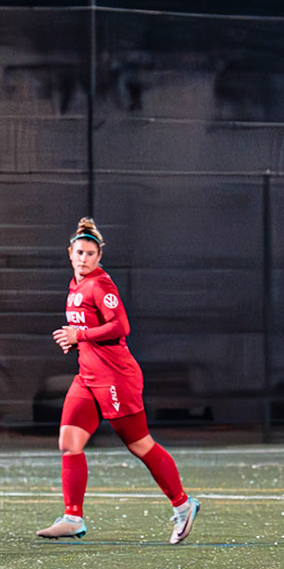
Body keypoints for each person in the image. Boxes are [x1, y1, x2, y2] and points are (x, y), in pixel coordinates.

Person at [37, 218, 201, 543]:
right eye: (79, 252)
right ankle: (73, 517)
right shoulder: (75, 285)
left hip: (115, 378)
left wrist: (79, 334)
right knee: (69, 443)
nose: (84, 258)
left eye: (90, 254)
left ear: (99, 257)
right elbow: (89, 328)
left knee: (140, 445)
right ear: (70, 252)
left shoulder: (101, 285)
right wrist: (76, 340)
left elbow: (120, 327)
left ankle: (183, 506)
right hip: (87, 377)